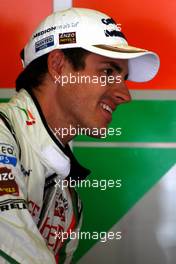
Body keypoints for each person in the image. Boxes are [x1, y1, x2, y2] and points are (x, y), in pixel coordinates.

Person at [0, 7, 160, 264]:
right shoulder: (2, 134)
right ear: (58, 66)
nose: (125, 95)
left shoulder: (67, 203)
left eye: (124, 78)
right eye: (108, 72)